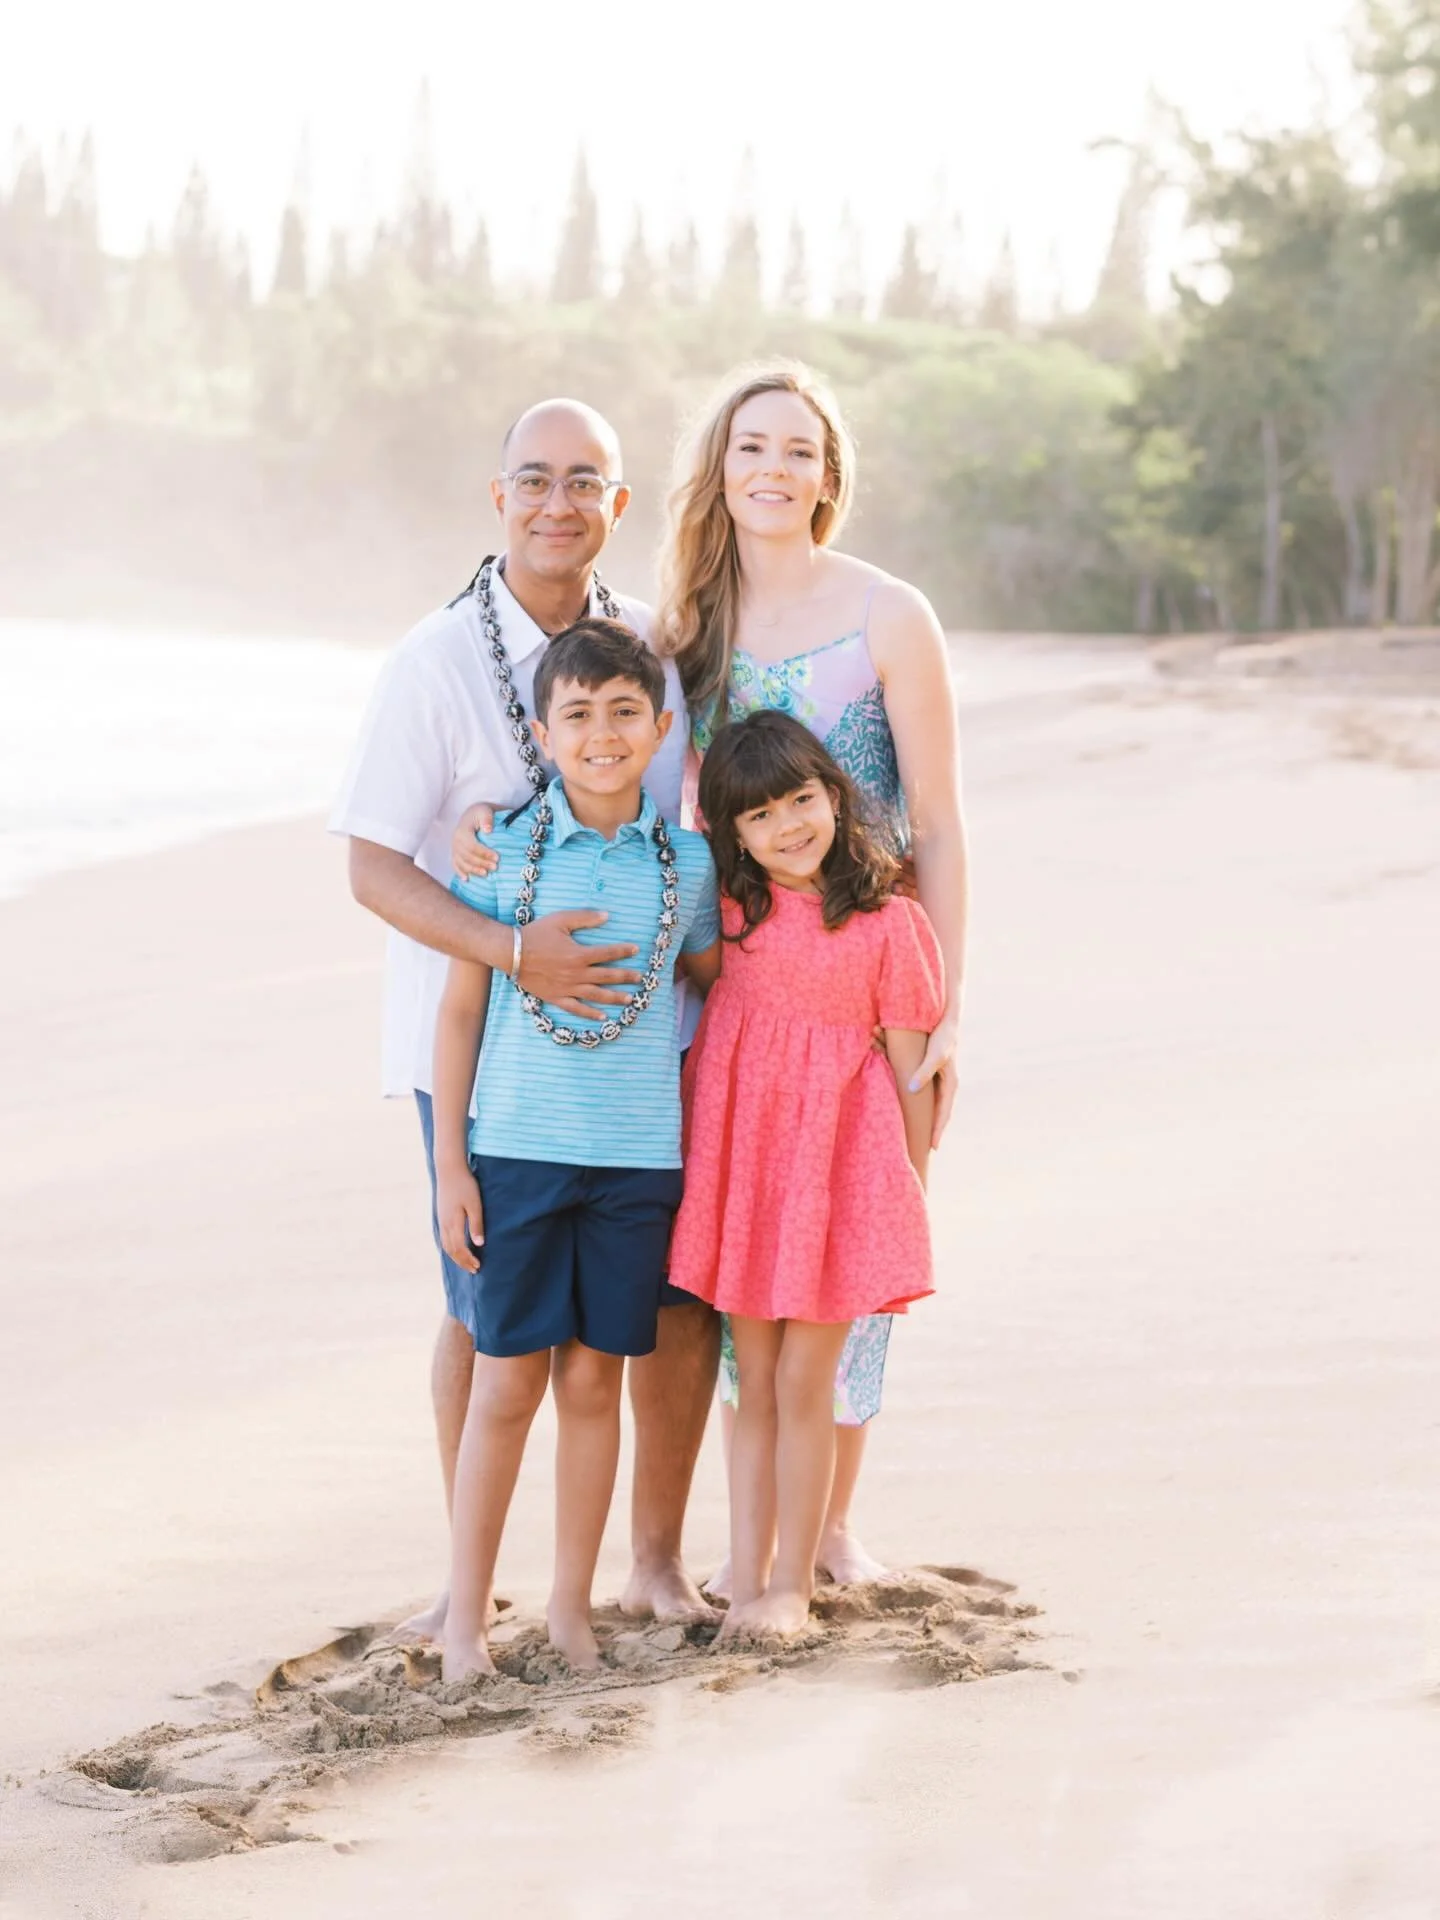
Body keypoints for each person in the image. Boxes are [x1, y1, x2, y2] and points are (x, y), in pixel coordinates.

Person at [329, 399, 720, 1635]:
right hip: (487, 1057)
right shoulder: (433, 661)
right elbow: (374, 867)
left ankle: (646, 1563)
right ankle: (468, 1582)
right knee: (482, 1312)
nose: (560, 502)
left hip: (639, 1066)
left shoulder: (654, 650)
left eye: (587, 481)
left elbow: (700, 833)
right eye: (535, 479)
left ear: (619, 503)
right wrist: (512, 950)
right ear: (498, 498)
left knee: (661, 1313)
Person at [657, 360, 969, 1587]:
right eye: (751, 448)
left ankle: (830, 1526)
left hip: (873, 992)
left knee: (859, 1244)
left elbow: (938, 824)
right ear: (720, 469)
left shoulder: (891, 613)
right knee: (753, 1259)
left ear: (829, 477)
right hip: (738, 994)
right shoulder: (686, 625)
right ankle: (761, 1545)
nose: (774, 471)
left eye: (799, 451)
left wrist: (945, 1013)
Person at [432, 619, 720, 1680]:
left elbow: (707, 975)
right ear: (545, 736)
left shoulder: (686, 863)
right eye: (578, 715)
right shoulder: (501, 849)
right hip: (517, 1154)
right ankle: (465, 1623)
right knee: (506, 1385)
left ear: (658, 729)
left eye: (624, 712)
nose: (602, 733)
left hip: (639, 1164)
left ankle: (569, 1612)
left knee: (596, 1387)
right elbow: (460, 1011)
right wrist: (450, 1165)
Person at [668, 711, 941, 1638]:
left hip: (838, 1178)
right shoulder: (732, 918)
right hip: (746, 1175)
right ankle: (747, 1579)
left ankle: (793, 1580)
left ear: (833, 793)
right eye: (760, 816)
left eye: (801, 800)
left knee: (805, 1381)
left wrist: (909, 1187)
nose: (788, 826)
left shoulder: (891, 924)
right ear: (731, 832)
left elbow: (912, 1073)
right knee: (751, 1382)